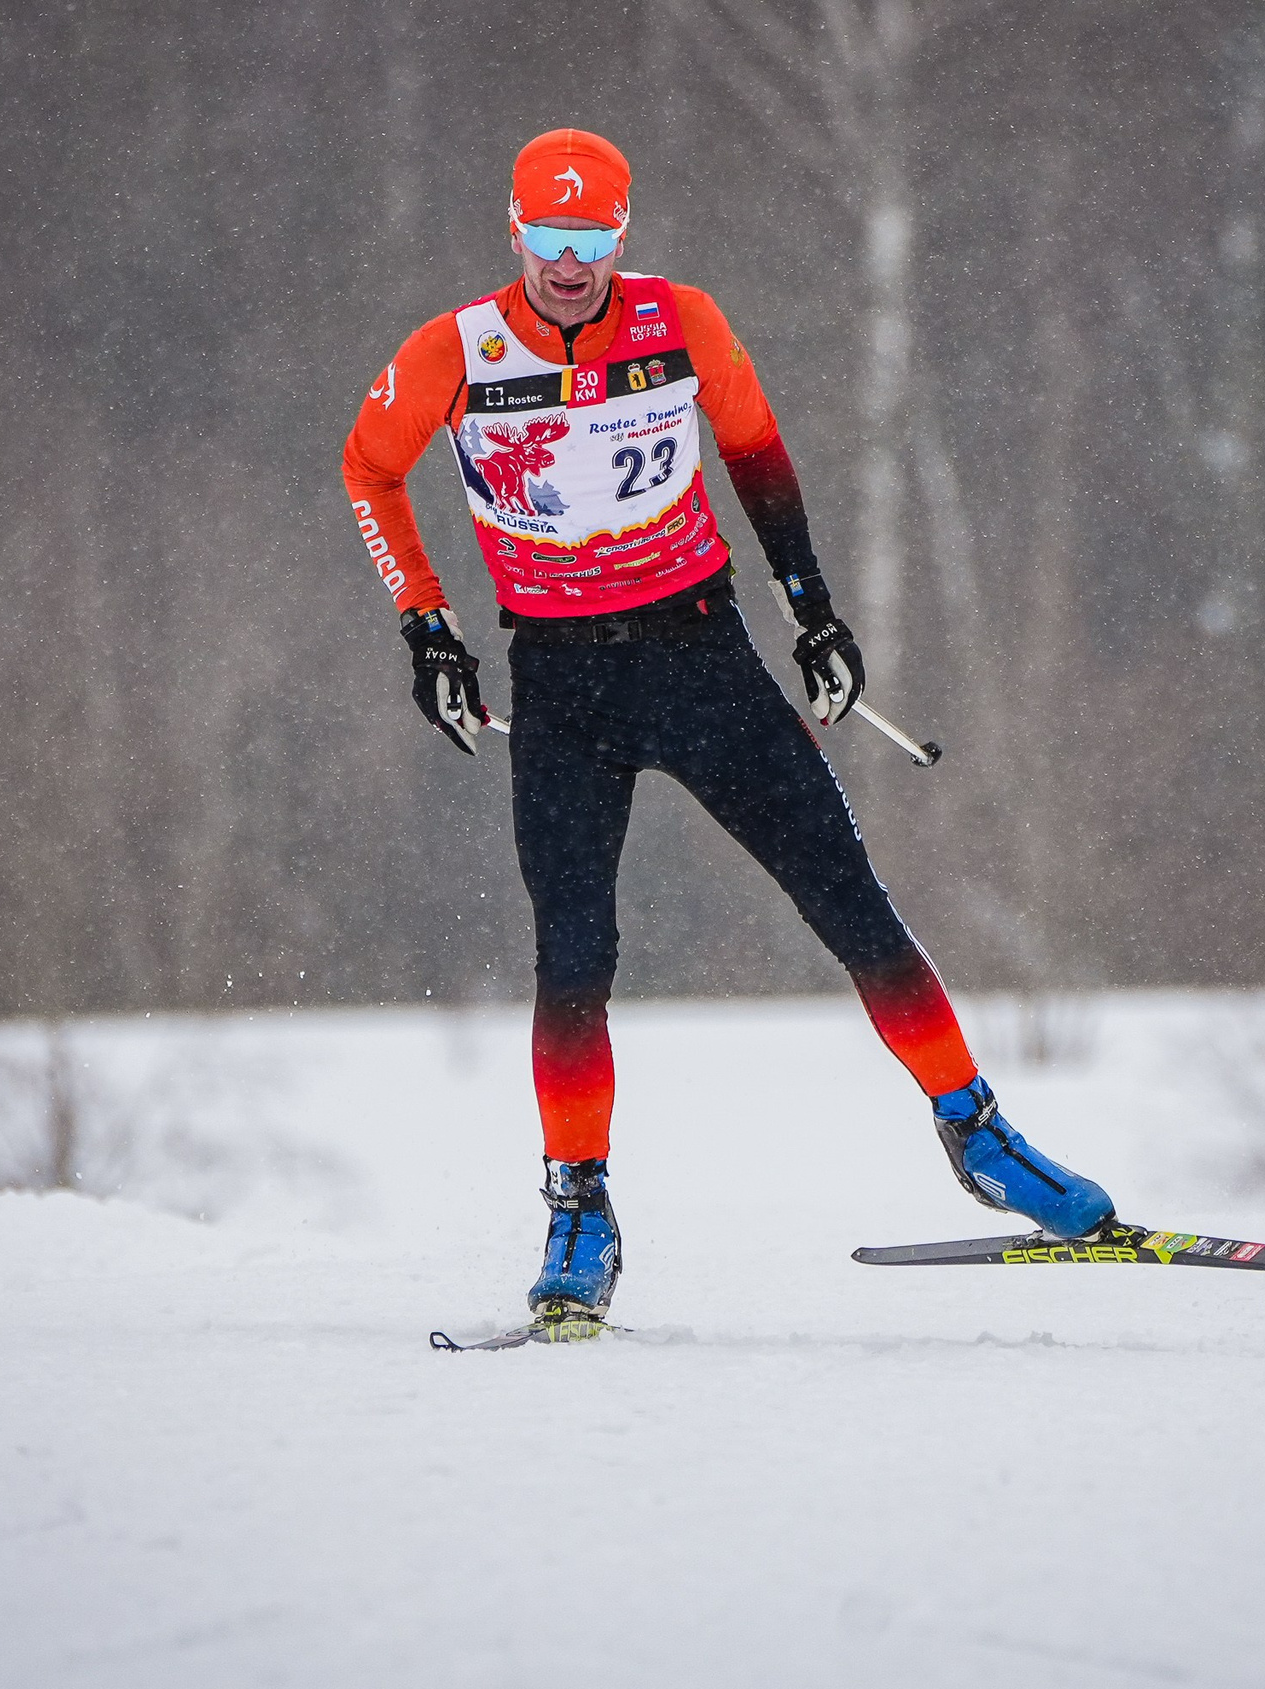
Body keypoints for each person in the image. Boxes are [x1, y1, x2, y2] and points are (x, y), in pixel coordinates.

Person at [342, 128, 1115, 1327]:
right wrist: (427, 628)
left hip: (701, 656)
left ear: (619, 236)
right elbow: (369, 470)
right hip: (560, 685)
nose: (568, 262)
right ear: (514, 233)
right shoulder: (454, 350)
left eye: (590, 238)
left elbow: (754, 449)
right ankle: (578, 1212)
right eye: (548, 238)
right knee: (575, 956)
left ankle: (978, 1134)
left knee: (849, 900)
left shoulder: (681, 320)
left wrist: (814, 613)